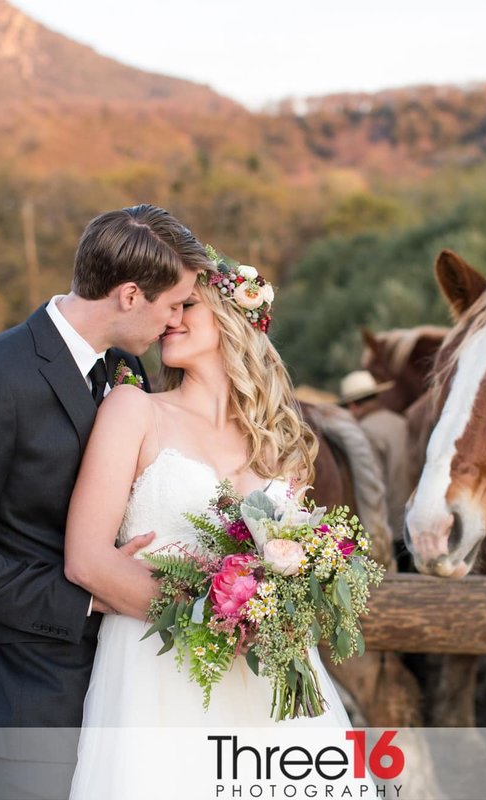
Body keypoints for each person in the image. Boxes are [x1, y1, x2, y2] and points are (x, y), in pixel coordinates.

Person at [0, 204, 214, 800]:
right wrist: (89, 592)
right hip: (34, 703)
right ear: (128, 296)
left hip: (128, 691)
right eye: (173, 305)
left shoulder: (124, 367)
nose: (176, 320)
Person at [64, 255, 353, 798]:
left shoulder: (279, 442)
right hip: (157, 671)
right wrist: (209, 622)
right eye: (167, 307)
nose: (169, 318)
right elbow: (85, 558)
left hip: (266, 680)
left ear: (234, 316)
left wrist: (290, 605)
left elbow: (299, 567)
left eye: (186, 305)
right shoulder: (134, 410)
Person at [339, 370, 413, 541]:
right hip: (415, 519)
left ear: (352, 406)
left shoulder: (363, 432)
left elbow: (371, 486)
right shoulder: (401, 422)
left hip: (391, 526)